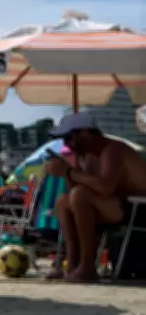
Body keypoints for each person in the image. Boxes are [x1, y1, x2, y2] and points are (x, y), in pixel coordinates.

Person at [45, 112, 146, 282]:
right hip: (117, 207)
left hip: (139, 209)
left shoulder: (113, 149)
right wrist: (65, 172)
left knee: (80, 195)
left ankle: (87, 267)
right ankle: (72, 265)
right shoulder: (83, 154)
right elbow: (75, 189)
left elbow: (105, 187)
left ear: (85, 133)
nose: (66, 143)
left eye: (69, 137)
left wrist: (69, 171)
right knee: (63, 201)